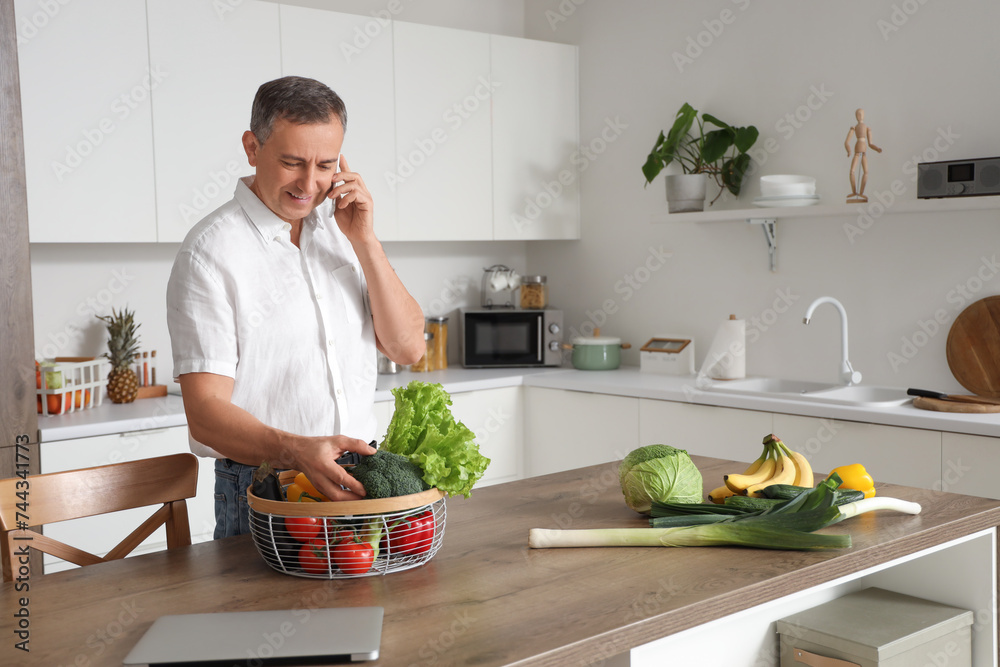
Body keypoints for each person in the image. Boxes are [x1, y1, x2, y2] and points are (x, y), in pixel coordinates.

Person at [166, 76, 425, 538]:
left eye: (326, 165)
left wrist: (365, 239)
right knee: (263, 612)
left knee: (377, 611)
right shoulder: (211, 253)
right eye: (292, 162)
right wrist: (296, 450)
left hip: (363, 478)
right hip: (269, 485)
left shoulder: (342, 231)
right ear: (252, 147)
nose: (309, 184)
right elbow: (205, 413)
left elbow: (407, 348)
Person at [845, 108, 882, 203]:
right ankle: (854, 192)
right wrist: (848, 150)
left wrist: (877, 148)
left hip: (864, 152)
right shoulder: (854, 128)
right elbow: (846, 142)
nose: (860, 116)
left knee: (866, 172)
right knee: (852, 171)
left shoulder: (867, 128)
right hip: (856, 152)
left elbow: (870, 143)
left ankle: (861, 192)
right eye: (858, 114)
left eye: (861, 114)